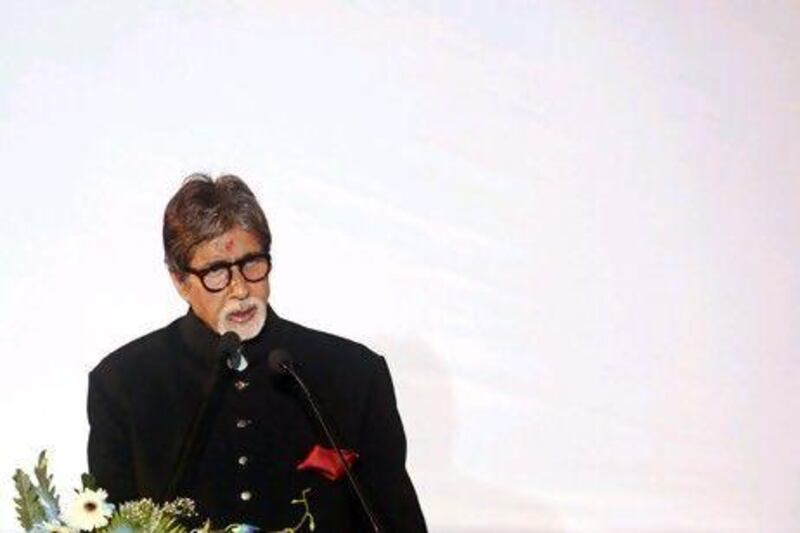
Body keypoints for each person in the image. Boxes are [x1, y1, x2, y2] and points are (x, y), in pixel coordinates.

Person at [87, 174, 427, 531]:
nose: (239, 287)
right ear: (179, 280)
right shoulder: (124, 384)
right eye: (216, 272)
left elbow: (397, 520)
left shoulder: (354, 373)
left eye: (252, 263)